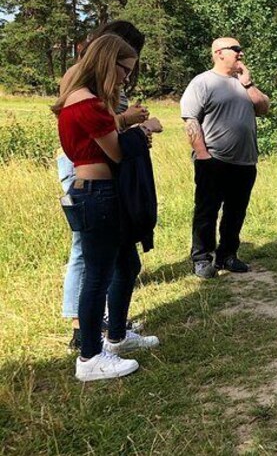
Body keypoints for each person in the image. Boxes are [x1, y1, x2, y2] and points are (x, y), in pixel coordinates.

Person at [53, 35, 161, 381]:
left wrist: (125, 123)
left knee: (127, 264)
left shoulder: (82, 100)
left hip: (98, 191)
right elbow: (115, 152)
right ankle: (89, 357)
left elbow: (104, 139)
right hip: (97, 193)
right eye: (124, 70)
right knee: (97, 276)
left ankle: (116, 335)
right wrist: (143, 128)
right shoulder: (88, 104)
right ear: (106, 62)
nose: (127, 77)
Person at [180, 37, 270, 279]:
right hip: (214, 160)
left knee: (236, 211)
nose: (240, 54)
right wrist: (203, 156)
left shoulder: (242, 84)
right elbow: (190, 120)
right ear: (219, 53)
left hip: (245, 161)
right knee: (206, 211)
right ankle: (202, 258)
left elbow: (263, 108)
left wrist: (249, 83)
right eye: (236, 49)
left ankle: (227, 255)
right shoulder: (203, 82)